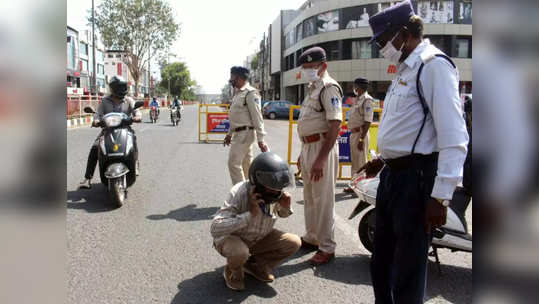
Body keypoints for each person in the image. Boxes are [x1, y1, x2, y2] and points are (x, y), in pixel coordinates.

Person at [362, 1, 469, 302]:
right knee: (380, 262)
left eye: (384, 40)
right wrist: (383, 159)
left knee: (407, 271)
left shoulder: (433, 65)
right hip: (392, 179)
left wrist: (440, 196)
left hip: (416, 181)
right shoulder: (405, 68)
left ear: (405, 33)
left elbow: (454, 135)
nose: (381, 47)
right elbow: (409, 127)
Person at [210, 152, 301, 291]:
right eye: (272, 186)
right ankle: (232, 270)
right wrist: (250, 215)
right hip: (233, 239)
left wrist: (286, 207)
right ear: (258, 182)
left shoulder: (275, 194)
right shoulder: (239, 192)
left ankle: (254, 266)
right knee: (240, 252)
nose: (277, 191)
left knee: (294, 242)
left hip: (257, 237)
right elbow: (215, 228)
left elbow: (282, 214)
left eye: (279, 188)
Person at [295, 46, 343, 265]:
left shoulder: (328, 88)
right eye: (304, 68)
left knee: (323, 199)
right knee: (310, 196)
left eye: (310, 67)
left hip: (321, 148)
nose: (306, 71)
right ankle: (312, 236)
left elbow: (335, 125)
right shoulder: (312, 88)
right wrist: (302, 153)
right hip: (308, 148)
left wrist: (321, 158)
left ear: (323, 66)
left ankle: (327, 246)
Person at [78, 76, 142, 189]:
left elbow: (137, 112)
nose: (122, 89)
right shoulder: (105, 101)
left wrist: (136, 117)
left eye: (123, 87)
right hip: (107, 130)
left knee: (133, 141)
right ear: (113, 88)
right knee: (95, 148)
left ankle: (135, 163)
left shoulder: (129, 100)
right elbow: (98, 114)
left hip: (125, 129)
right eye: (119, 87)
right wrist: (96, 121)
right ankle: (87, 178)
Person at [223, 66, 268, 185]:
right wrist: (229, 134)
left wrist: (261, 139)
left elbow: (257, 116)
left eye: (232, 77)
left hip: (245, 134)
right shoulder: (238, 94)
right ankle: (251, 194)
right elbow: (236, 117)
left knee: (233, 163)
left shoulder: (250, 93)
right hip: (239, 133)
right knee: (246, 165)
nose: (230, 80)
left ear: (239, 77)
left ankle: (240, 195)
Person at [343, 77, 374, 193]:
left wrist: (361, 139)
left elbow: (368, 121)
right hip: (354, 134)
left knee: (361, 162)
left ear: (359, 87)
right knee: (355, 162)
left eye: (355, 86)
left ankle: (360, 188)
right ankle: (354, 186)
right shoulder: (357, 99)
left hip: (361, 134)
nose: (354, 88)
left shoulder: (367, 100)